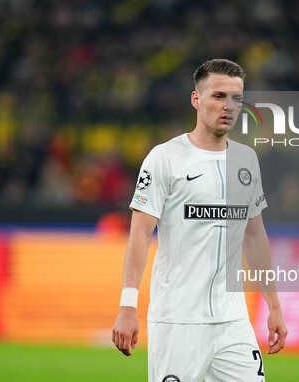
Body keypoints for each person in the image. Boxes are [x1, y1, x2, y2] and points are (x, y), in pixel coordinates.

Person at [112, 58, 287, 382]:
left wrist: (273, 305)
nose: (228, 106)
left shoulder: (246, 161)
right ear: (196, 100)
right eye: (218, 96)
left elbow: (255, 237)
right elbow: (139, 234)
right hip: (178, 321)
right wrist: (127, 305)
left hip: (232, 322)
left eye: (236, 98)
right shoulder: (164, 158)